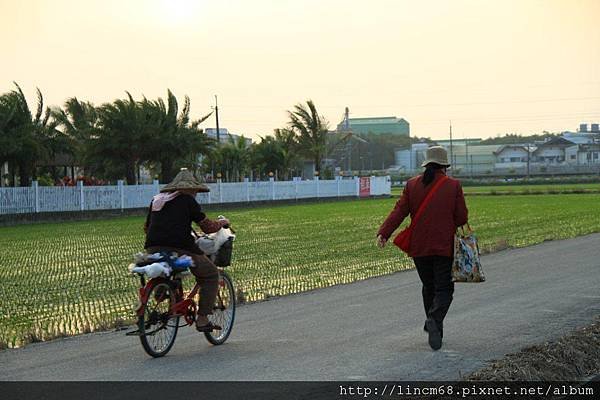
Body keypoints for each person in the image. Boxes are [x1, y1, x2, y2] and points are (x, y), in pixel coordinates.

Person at [377, 146, 468, 350]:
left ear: (426, 164)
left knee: (429, 287)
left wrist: (384, 233)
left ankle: (436, 330)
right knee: (444, 288)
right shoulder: (453, 185)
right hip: (443, 246)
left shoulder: (412, 185)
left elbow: (399, 211)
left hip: (419, 247)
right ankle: (434, 320)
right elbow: (462, 217)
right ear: (445, 166)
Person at [144, 168, 229, 332]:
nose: (195, 194)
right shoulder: (187, 200)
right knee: (211, 274)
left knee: (170, 268)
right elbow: (208, 227)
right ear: (190, 189)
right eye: (195, 191)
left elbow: (148, 227)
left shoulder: (156, 200)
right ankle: (203, 319)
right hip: (180, 247)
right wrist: (222, 222)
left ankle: (163, 289)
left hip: (152, 247)